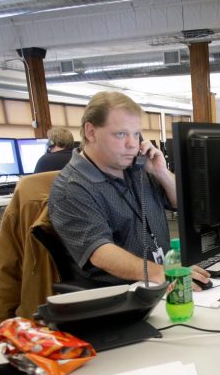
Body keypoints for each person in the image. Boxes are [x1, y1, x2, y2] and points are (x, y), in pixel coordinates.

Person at [48, 91, 210, 289]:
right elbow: (101, 253)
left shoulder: (137, 168)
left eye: (136, 134)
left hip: (162, 282)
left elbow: (181, 203)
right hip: (122, 297)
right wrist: (161, 273)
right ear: (91, 132)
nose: (132, 144)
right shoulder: (71, 188)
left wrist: (161, 172)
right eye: (121, 134)